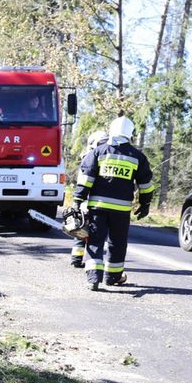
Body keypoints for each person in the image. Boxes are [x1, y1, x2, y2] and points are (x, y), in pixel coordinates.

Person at [73, 116, 155, 291]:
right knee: (117, 243)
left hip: (98, 207)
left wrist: (78, 199)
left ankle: (93, 278)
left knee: (95, 241)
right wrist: (145, 204)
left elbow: (86, 178)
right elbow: (146, 185)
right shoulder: (138, 157)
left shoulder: (98, 152)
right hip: (121, 210)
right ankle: (113, 277)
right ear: (130, 134)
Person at [69, 127, 109, 268]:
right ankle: (77, 257)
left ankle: (77, 257)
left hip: (90, 199)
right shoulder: (91, 157)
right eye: (101, 142)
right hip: (89, 199)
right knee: (83, 229)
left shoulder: (95, 156)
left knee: (83, 229)